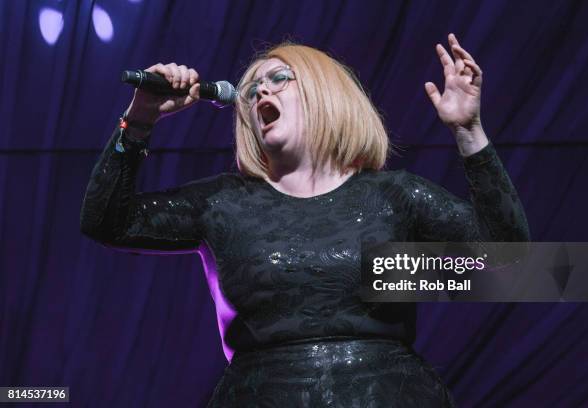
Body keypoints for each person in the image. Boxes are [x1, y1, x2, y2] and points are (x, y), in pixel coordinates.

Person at [80, 34, 529, 407]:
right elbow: (107, 222)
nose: (262, 94)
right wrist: (139, 119)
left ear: (324, 93)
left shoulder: (392, 195)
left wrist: (468, 130)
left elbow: (507, 262)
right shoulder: (222, 203)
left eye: (278, 80)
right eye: (252, 91)